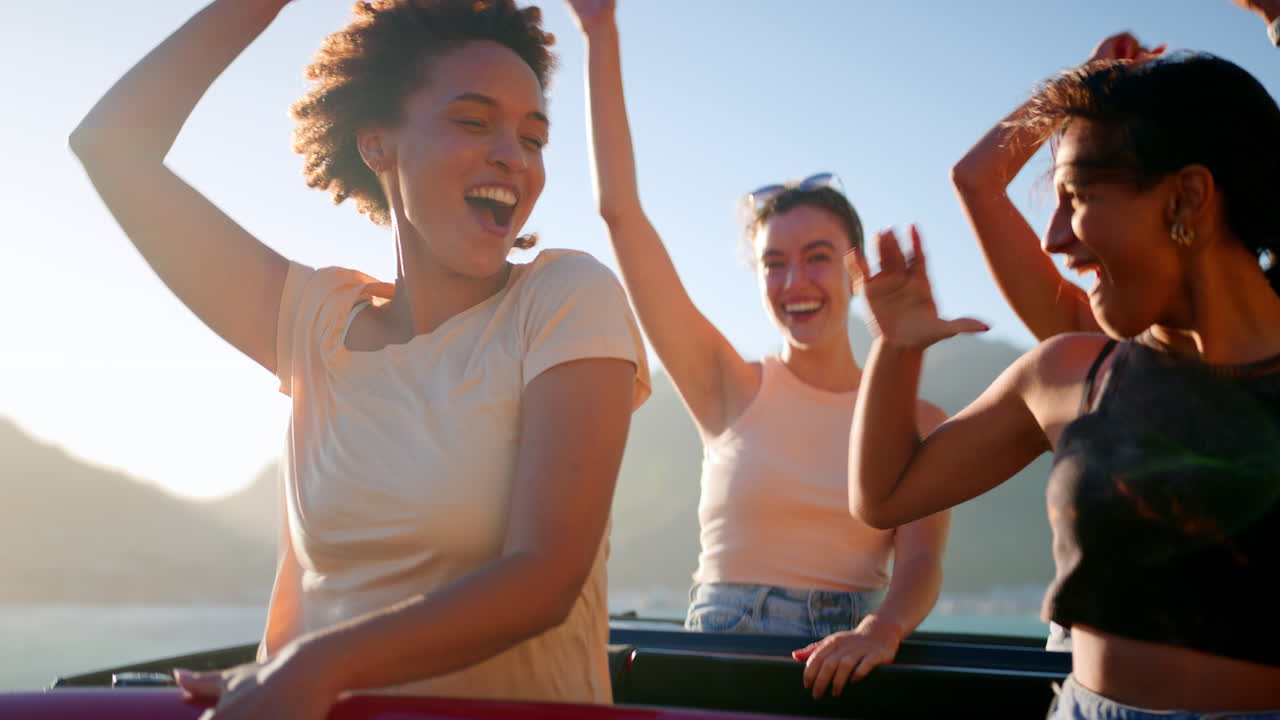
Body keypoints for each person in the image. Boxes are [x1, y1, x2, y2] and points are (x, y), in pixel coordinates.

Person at [69, 0, 649, 717]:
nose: (514, 156)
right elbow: (111, 146)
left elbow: (544, 576)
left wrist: (315, 669)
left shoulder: (567, 297)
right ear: (377, 144)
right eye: (474, 121)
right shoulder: (314, 323)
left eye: (533, 137)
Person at [847, 52, 1280, 717]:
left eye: (1076, 198)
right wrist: (896, 350)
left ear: (1187, 197)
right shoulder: (1071, 373)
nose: (1053, 239)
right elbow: (885, 497)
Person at [564, 0, 949, 700]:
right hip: (717, 658)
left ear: (857, 268)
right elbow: (621, 213)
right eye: (774, 262)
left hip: (849, 666)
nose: (795, 281)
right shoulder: (728, 386)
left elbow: (921, 562)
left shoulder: (919, 418)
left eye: (818, 257)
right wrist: (600, 34)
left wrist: (881, 630)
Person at [951, 31, 1165, 652]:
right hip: (1080, 681)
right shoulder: (1088, 343)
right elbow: (975, 179)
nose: (1058, 236)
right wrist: (1081, 86)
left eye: (1086, 196)